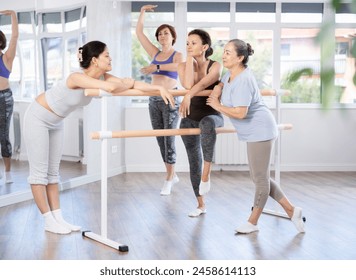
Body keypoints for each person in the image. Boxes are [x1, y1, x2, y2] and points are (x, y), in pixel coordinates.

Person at [23, 40, 175, 234]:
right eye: (106, 55)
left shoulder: (104, 76)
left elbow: (132, 84)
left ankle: (58, 218)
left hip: (56, 121)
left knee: (53, 173)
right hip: (37, 117)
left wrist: (159, 89)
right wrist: (122, 84)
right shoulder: (76, 77)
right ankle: (47, 220)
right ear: (94, 60)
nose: (110, 58)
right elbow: (112, 88)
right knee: (39, 173)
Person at [207, 39, 305, 234]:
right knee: (260, 177)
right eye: (224, 51)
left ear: (240, 57)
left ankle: (253, 222)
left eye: (228, 52)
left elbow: (241, 113)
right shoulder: (231, 73)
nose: (223, 55)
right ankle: (292, 210)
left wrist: (217, 106)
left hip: (261, 130)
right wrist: (217, 89)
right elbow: (221, 82)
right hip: (254, 131)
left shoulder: (244, 79)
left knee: (260, 179)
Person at [136, 4, 183, 195]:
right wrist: (142, 12)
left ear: (172, 36)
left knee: (169, 138)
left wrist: (155, 68)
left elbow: (178, 67)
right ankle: (172, 173)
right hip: (154, 101)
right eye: (160, 34)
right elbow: (139, 33)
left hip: (170, 100)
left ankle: (169, 178)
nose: (162, 36)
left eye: (166, 33)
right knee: (160, 139)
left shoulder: (177, 55)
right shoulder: (155, 53)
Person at [178, 29, 224, 217]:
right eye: (187, 42)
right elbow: (189, 84)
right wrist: (190, 59)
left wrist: (189, 95)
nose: (189, 46)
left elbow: (205, 84)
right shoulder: (182, 66)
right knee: (192, 161)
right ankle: (200, 204)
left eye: (194, 43)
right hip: (189, 118)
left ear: (205, 47)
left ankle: (207, 172)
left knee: (206, 123)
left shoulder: (216, 65)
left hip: (212, 116)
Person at [0, 10, 18, 184]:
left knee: (3, 135)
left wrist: (12, 14)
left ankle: (7, 172)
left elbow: (15, 36)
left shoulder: (7, 58)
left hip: (4, 99)